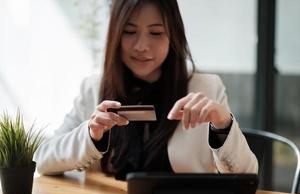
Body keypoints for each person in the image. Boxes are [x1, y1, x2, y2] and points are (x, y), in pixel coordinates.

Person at [34, 0, 258, 180]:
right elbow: (42, 159)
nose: (141, 45)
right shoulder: (93, 88)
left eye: (156, 33)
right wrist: (91, 135)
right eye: (130, 32)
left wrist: (222, 124)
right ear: (115, 35)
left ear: (174, 36)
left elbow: (247, 177)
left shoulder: (205, 88)